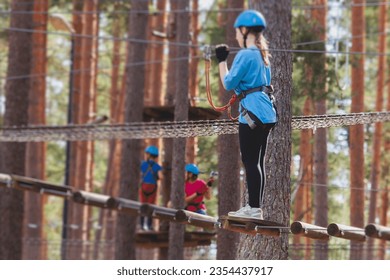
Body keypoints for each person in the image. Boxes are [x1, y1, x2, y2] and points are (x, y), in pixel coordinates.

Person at [215, 10, 277, 220]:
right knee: (257, 161)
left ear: (244, 31)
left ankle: (254, 208)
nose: (235, 37)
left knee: (250, 161)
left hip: (251, 114)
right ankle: (254, 207)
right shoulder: (263, 55)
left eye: (237, 32)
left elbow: (228, 83)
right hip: (266, 112)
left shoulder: (246, 54)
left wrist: (221, 61)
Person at [139, 145, 162, 230]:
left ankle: (141, 225)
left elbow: (139, 173)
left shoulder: (143, 164)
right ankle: (149, 225)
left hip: (144, 186)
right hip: (153, 188)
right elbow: (161, 177)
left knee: (142, 204)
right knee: (151, 206)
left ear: (149, 154)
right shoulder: (157, 166)